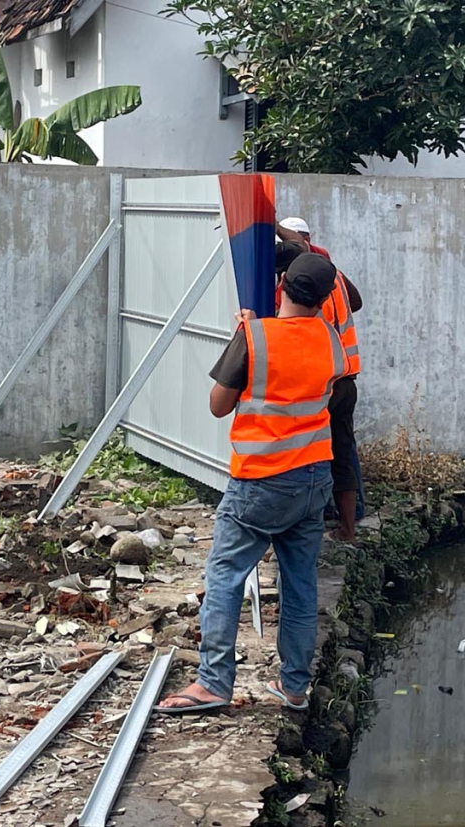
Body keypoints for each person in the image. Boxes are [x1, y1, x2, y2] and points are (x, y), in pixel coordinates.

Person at [156, 254, 347, 713]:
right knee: (300, 585)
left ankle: (213, 684)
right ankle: (294, 687)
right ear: (324, 300)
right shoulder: (331, 339)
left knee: (225, 577)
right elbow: (322, 384)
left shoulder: (255, 336)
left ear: (280, 283)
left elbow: (219, 405)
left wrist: (242, 336)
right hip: (313, 479)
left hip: (260, 483)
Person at [274, 242, 364, 541]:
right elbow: (357, 302)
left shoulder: (298, 288)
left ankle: (296, 527)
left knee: (304, 455)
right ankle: (348, 529)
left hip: (319, 380)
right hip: (346, 376)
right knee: (341, 453)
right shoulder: (333, 276)